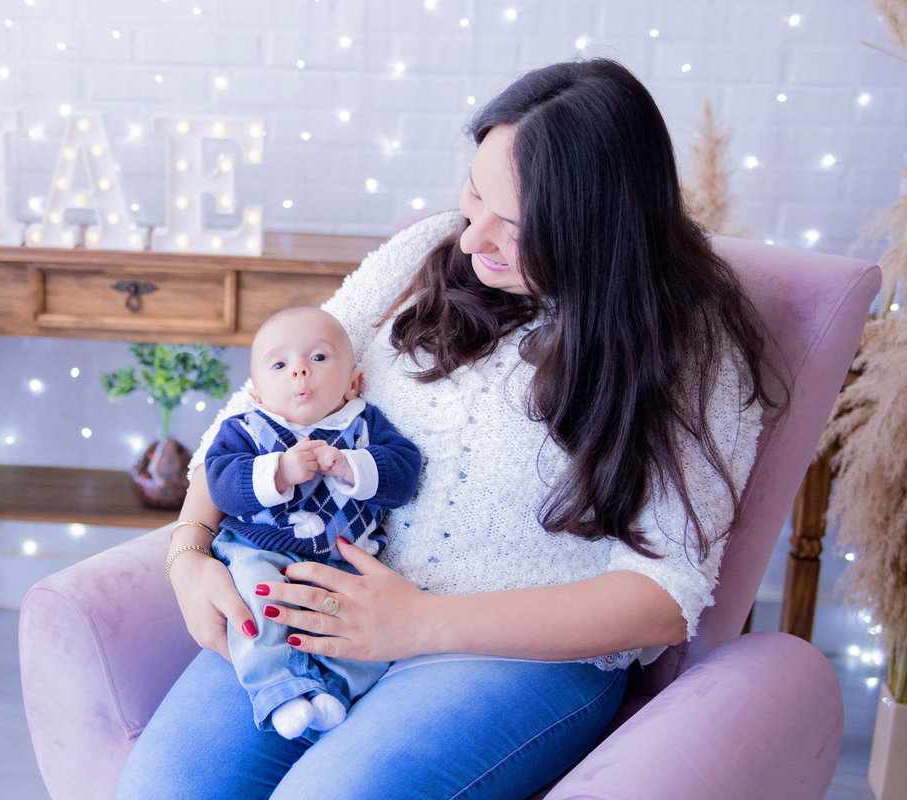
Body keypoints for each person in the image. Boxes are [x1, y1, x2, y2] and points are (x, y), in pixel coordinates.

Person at [116, 58, 776, 800]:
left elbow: (665, 593)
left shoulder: (691, 344)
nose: (472, 240)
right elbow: (259, 403)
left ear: (597, 231)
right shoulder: (424, 254)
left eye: (516, 227)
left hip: (515, 657)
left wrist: (423, 624)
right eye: (475, 194)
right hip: (322, 595)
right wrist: (189, 551)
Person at [204, 306, 422, 740]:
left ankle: (336, 691)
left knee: (364, 626)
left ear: (354, 382)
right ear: (259, 394)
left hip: (346, 556)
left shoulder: (363, 424)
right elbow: (220, 482)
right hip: (259, 546)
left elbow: (404, 475)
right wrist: (278, 473)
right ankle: (279, 689)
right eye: (280, 365)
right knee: (256, 604)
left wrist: (351, 466)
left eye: (319, 358)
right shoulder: (248, 427)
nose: (300, 371)